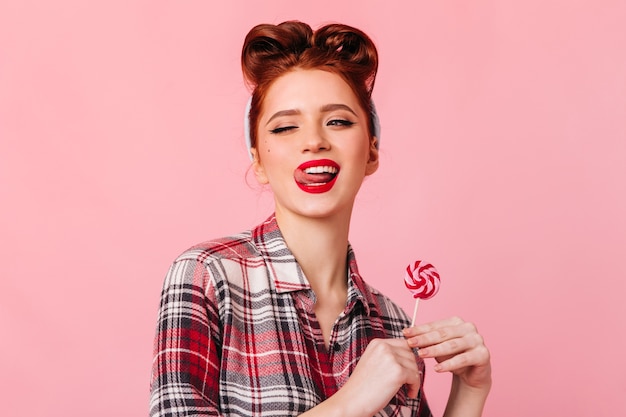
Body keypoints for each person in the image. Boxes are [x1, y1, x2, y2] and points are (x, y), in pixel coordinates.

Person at [150, 21, 491, 417]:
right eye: (285, 127)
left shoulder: (396, 325)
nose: (313, 140)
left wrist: (469, 392)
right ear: (258, 160)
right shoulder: (208, 277)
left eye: (338, 121)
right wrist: (351, 403)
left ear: (372, 152)